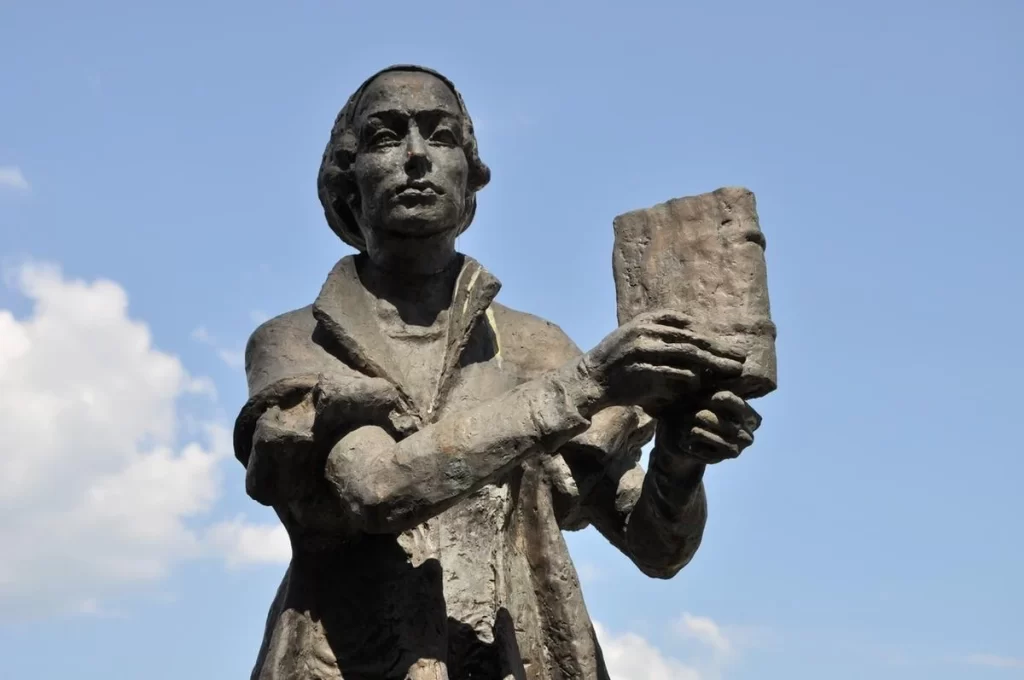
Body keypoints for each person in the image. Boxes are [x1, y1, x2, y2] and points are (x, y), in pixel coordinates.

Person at [234, 64, 761, 680]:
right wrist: (587, 384)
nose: (415, 157)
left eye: (440, 135)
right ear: (346, 181)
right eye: (385, 136)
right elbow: (377, 492)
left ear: (471, 176)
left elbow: (657, 547)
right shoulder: (297, 340)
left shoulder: (536, 347)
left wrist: (679, 455)